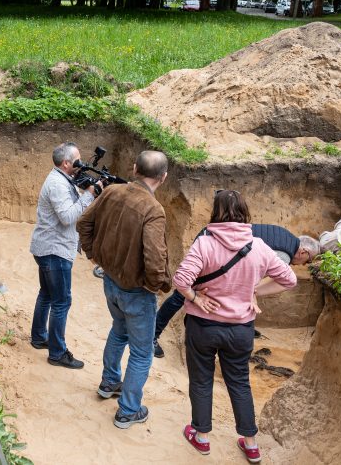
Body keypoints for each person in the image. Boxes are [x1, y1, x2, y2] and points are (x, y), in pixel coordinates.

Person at [173, 190, 297, 464]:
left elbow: (181, 279)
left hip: (204, 326)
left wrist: (195, 298)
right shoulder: (260, 246)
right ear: (244, 212)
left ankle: (202, 437)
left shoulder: (205, 243)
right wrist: (254, 290)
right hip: (240, 328)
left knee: (202, 380)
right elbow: (289, 280)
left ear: (216, 212)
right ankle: (251, 444)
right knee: (239, 382)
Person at [77, 150, 171, 430]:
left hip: (111, 281)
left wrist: (94, 256)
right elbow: (155, 258)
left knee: (119, 331)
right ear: (163, 178)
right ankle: (128, 410)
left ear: (134, 168)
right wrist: (155, 287)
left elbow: (84, 222)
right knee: (142, 353)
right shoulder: (154, 210)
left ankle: (109, 382)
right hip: (136, 290)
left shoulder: (112, 192)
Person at [152, 225, 320, 358]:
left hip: (214, 238)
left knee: (197, 292)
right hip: (214, 245)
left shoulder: (285, 236)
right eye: (307, 261)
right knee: (182, 294)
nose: (303, 265)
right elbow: (259, 278)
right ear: (303, 251)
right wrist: (253, 292)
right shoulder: (284, 255)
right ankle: (152, 336)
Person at [29, 142, 96, 370]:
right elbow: (68, 217)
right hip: (54, 251)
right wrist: (89, 194)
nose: (81, 163)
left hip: (49, 248)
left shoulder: (62, 178)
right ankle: (57, 353)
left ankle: (39, 337)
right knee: (61, 301)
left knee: (47, 294)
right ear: (66, 163)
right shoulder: (57, 184)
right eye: (77, 160)